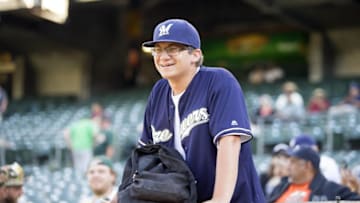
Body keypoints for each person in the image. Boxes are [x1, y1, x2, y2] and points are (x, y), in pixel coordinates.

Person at [136, 18, 265, 202]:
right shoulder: (158, 92)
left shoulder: (219, 80)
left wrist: (220, 199)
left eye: (172, 49)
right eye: (157, 49)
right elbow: (146, 158)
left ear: (195, 55)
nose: (163, 56)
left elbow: (230, 141)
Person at [268, 146, 360, 202]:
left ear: (308, 165)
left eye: (293, 162)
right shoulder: (279, 188)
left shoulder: (331, 190)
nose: (288, 165)